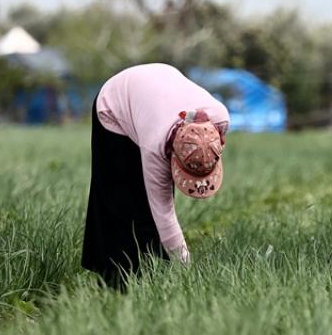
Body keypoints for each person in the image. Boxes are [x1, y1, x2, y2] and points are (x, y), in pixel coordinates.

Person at [82, 63, 229, 288]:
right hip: (116, 103)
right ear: (171, 153)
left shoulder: (220, 118)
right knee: (120, 199)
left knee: (148, 212)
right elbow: (164, 213)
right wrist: (188, 271)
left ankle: (155, 271)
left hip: (156, 92)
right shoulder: (155, 144)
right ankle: (115, 279)